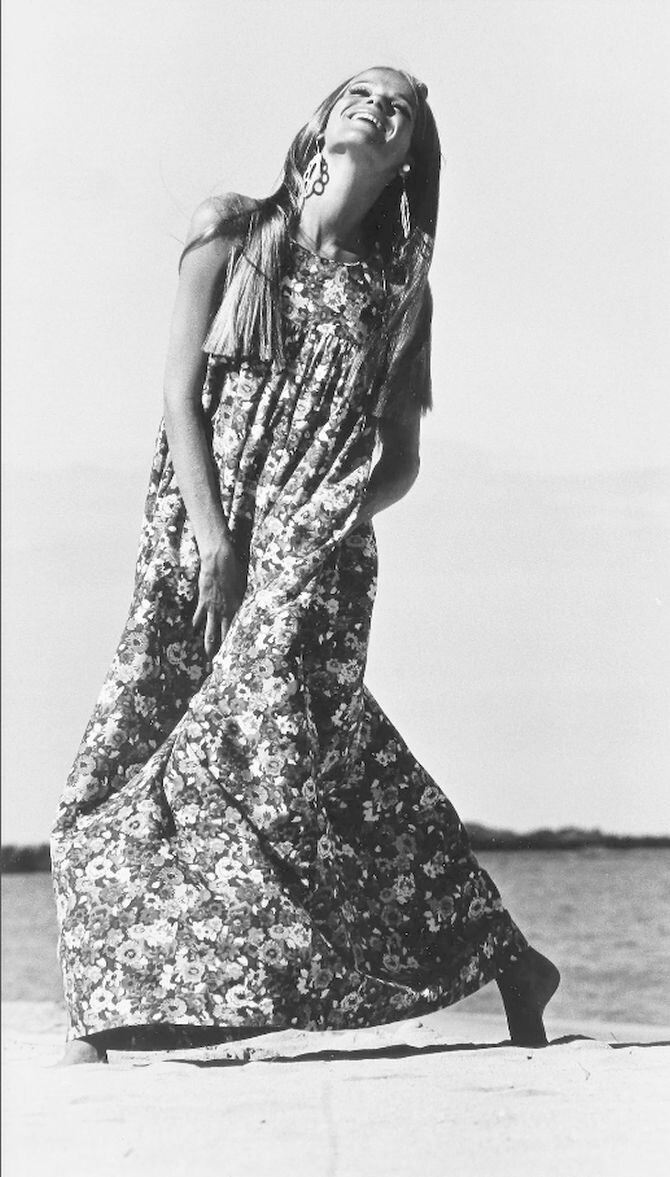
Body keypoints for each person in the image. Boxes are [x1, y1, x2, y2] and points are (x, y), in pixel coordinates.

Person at [51, 66, 559, 1065]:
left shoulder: (397, 289)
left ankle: (141, 1002)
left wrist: (325, 516)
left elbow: (401, 459)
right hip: (196, 528)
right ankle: (507, 956)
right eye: (362, 91)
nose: (379, 106)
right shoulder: (232, 231)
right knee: (150, 743)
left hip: (311, 556)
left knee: (260, 757)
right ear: (323, 119)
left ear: (409, 158)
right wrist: (213, 541)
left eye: (400, 108)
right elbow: (179, 397)